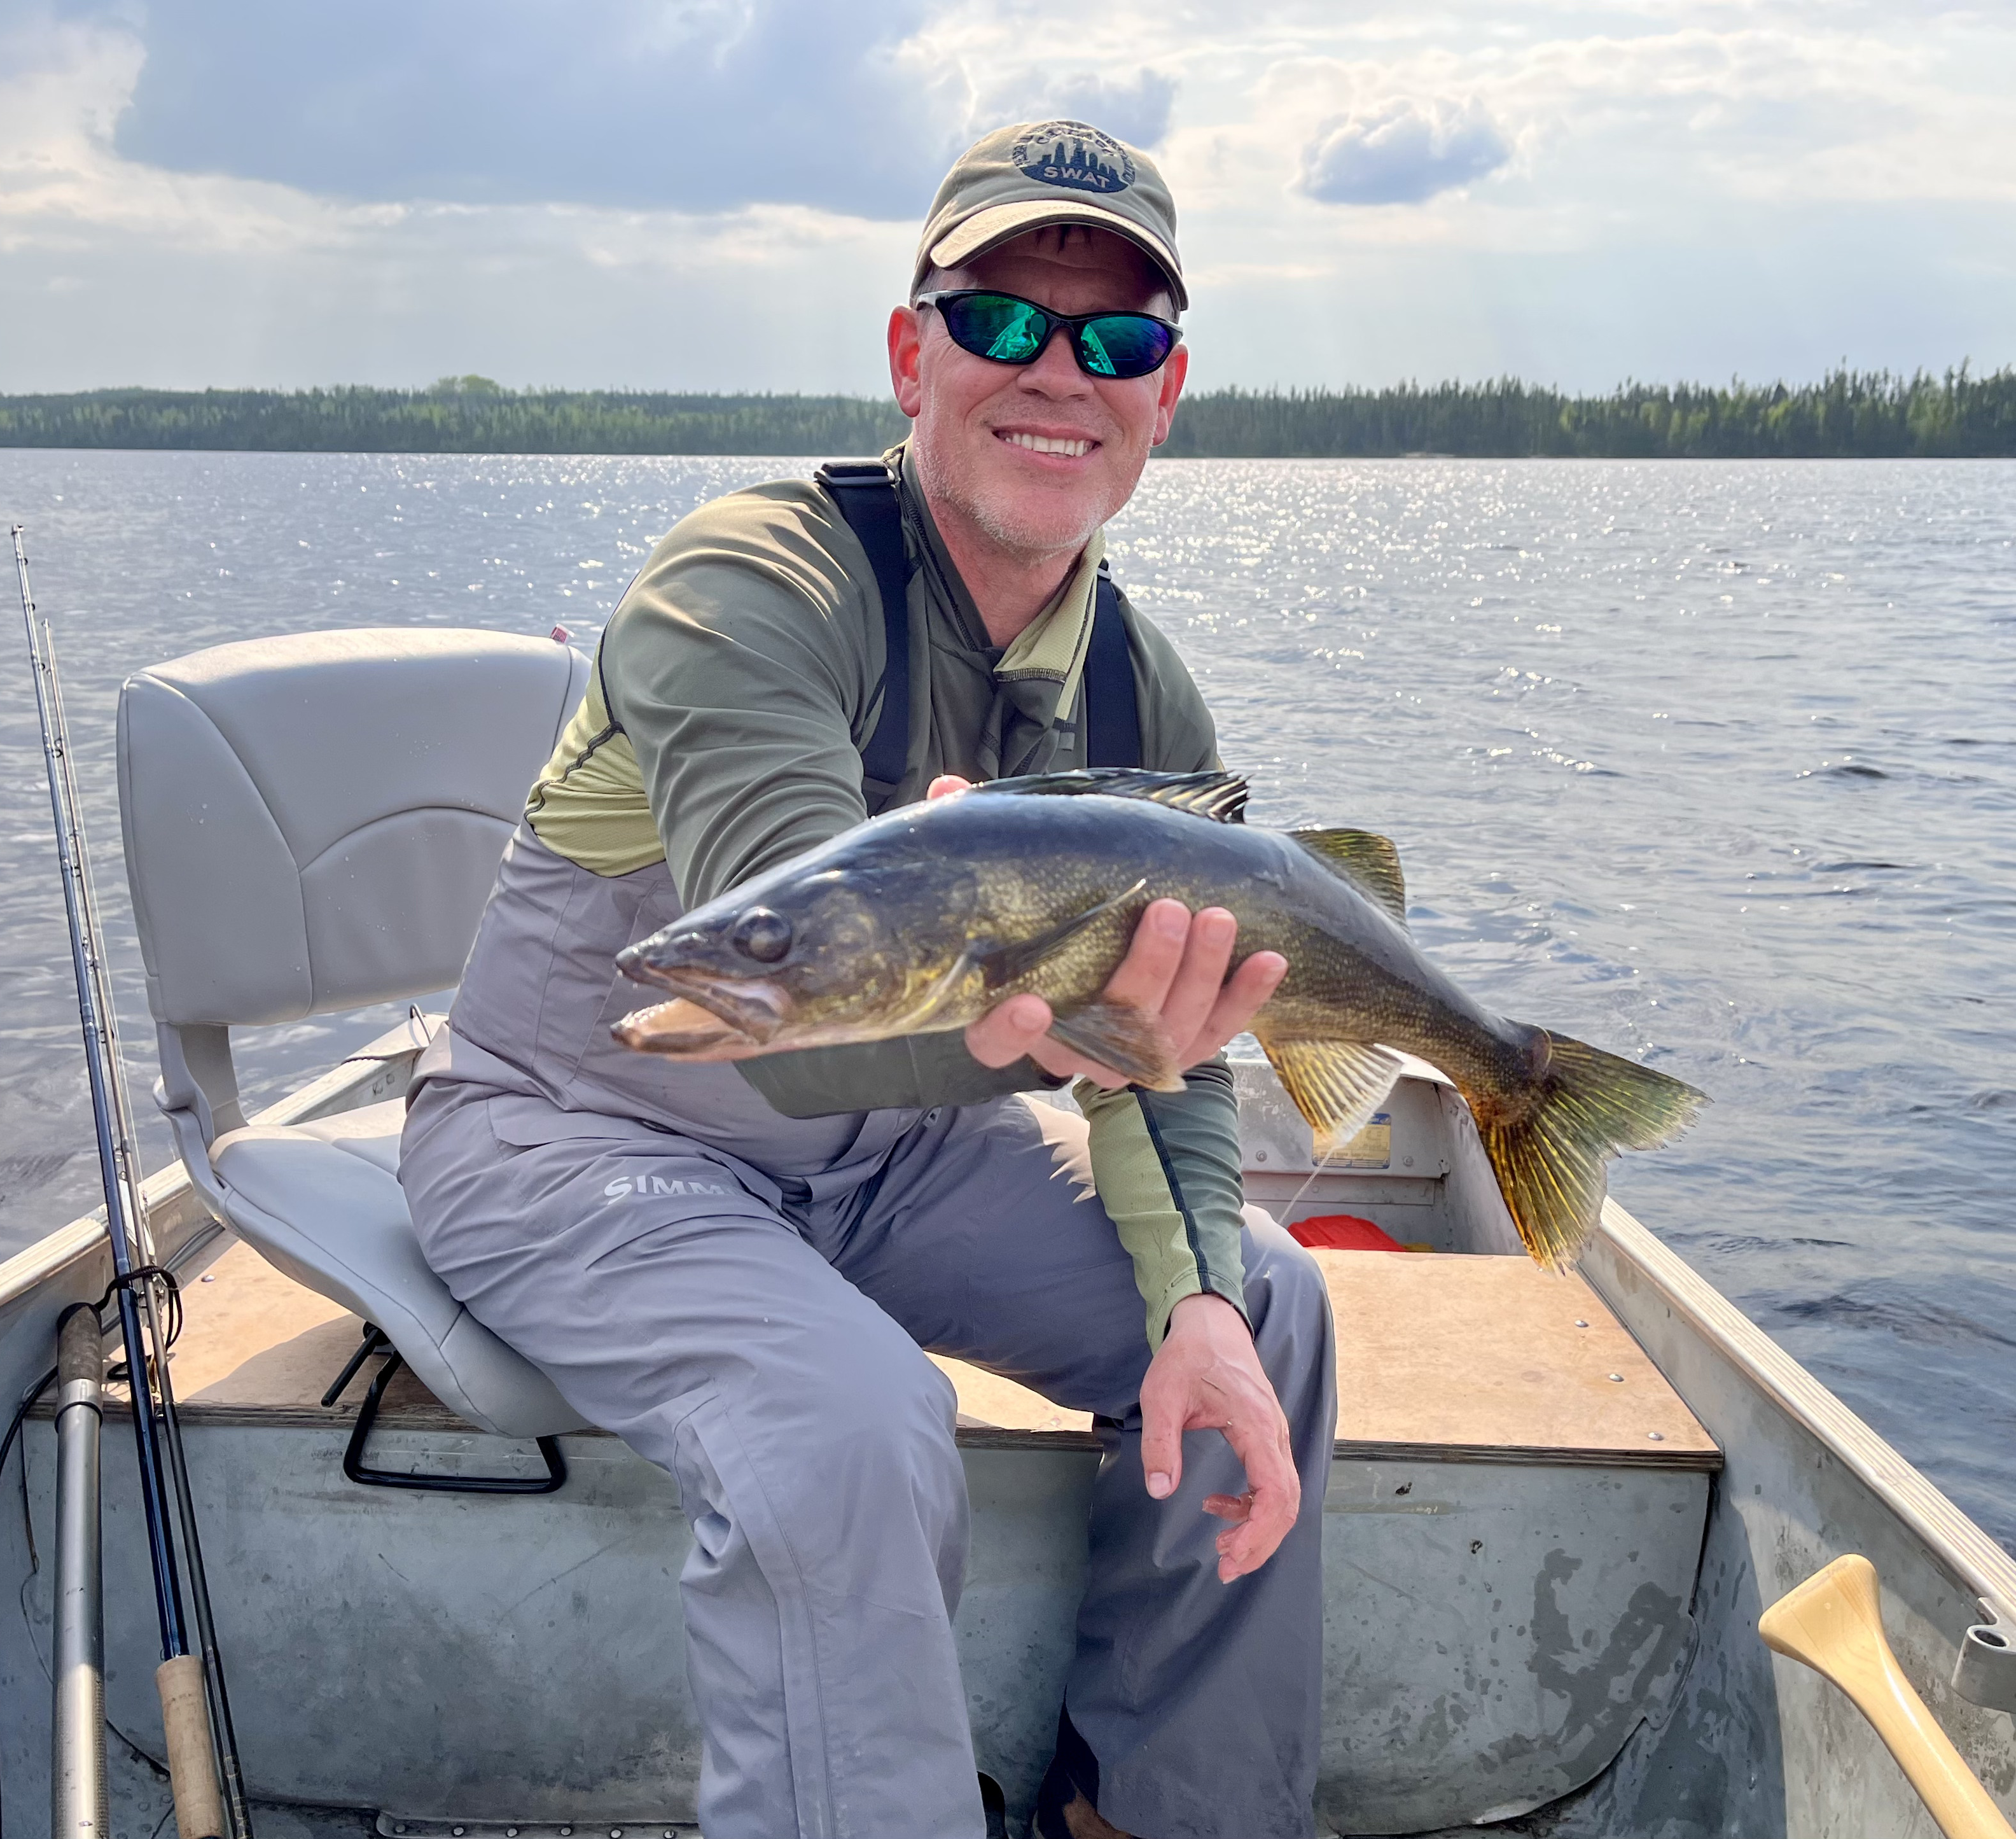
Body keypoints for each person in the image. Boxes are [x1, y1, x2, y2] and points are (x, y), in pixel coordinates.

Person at [399, 118, 1337, 1839]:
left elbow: (1162, 1063)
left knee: (1265, 1305)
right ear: (911, 352)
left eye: (1117, 339)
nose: (1059, 371)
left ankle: (1157, 1809)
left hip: (898, 1153)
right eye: (1000, 320)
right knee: (850, 1419)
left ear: (1165, 396)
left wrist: (1193, 1280)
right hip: (577, 1130)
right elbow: (792, 992)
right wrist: (1053, 1024)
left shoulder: (1147, 703)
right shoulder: (747, 582)